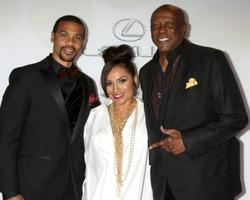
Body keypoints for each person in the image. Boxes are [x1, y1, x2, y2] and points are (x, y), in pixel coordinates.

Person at [139, 4, 248, 200]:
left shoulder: (210, 59)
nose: (161, 30)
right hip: (164, 183)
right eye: (155, 25)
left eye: (169, 24)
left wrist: (188, 142)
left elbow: (236, 117)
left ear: (184, 29)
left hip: (206, 181)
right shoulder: (146, 71)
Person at [0, 15, 100, 200]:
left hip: (75, 186)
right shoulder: (26, 78)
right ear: (52, 36)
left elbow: (97, 130)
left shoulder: (88, 84)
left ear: (83, 43)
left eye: (77, 37)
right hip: (33, 187)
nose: (70, 42)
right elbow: (6, 137)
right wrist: (10, 191)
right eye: (64, 35)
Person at [83, 44, 153, 200]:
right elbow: (89, 167)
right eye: (109, 83)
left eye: (122, 80)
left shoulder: (149, 115)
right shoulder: (95, 117)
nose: (116, 89)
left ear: (134, 79)